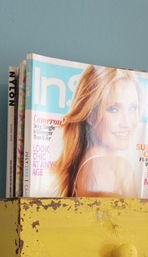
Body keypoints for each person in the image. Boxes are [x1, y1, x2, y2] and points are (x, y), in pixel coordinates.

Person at [54, 65, 142, 197]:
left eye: (133, 108)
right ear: (91, 115)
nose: (127, 123)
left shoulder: (83, 163)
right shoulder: (108, 166)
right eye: (114, 109)